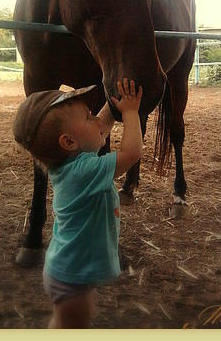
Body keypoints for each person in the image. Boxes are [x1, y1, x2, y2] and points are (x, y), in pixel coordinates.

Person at [13, 78, 143, 328]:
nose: (96, 119)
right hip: (71, 278)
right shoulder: (83, 172)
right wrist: (130, 112)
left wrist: (112, 104)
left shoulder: (72, 161)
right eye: (88, 117)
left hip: (68, 271)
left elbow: (100, 129)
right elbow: (131, 152)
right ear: (69, 142)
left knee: (64, 324)